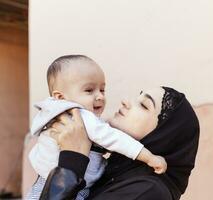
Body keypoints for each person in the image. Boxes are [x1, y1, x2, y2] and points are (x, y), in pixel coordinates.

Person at [25, 55, 167, 200]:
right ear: (61, 98)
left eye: (102, 90)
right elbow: (114, 139)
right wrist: (149, 157)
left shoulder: (55, 115)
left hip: (48, 182)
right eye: (89, 90)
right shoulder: (79, 114)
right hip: (63, 186)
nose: (100, 96)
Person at [39, 86, 200, 200]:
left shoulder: (147, 191)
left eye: (144, 105)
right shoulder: (113, 170)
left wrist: (72, 160)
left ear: (164, 136)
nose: (125, 102)